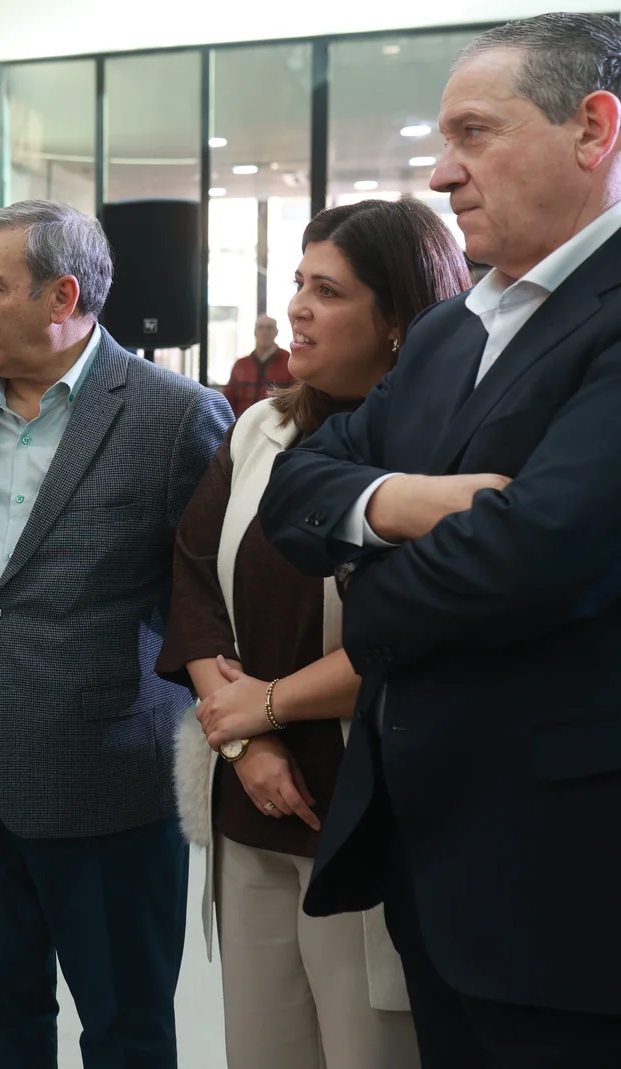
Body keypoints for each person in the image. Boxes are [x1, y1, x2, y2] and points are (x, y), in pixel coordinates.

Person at [261, 14, 621, 1065]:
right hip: (433, 860)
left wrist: (364, 603)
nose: (441, 172)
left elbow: (535, 551)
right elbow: (297, 490)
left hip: (568, 886)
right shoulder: (452, 331)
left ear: (592, 130)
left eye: (473, 134)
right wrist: (409, 502)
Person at [0, 199, 231, 1068]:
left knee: (126, 1030)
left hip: (109, 782)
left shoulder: (177, 416)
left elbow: (207, 601)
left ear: (62, 297)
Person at [159, 198, 469, 1069]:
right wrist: (242, 740)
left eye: (326, 290)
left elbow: (422, 629)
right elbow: (190, 574)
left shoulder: (438, 457)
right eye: (297, 281)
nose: (295, 305)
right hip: (250, 801)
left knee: (370, 1047)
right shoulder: (264, 429)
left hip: (366, 805)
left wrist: (264, 705)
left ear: (401, 321)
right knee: (263, 1049)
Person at [221, 314, 294, 416]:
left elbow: (297, 397)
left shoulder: (289, 361)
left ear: (276, 332)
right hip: (243, 423)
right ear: (255, 332)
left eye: (269, 327)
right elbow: (228, 399)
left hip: (278, 424)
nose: (265, 332)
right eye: (261, 327)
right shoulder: (241, 365)